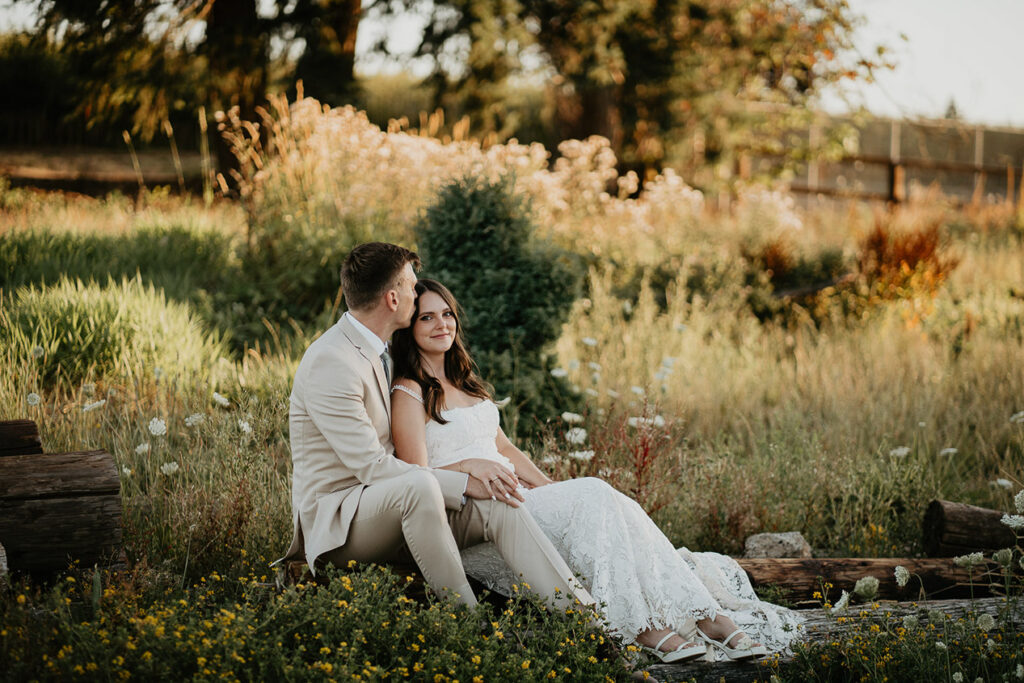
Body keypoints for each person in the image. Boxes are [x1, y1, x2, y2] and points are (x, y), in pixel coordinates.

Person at [390, 279, 803, 663]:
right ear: (409, 327)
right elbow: (416, 473)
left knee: (613, 504)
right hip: (483, 517)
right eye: (426, 317)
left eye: (447, 313)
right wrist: (468, 464)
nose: (441, 323)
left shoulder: (466, 382)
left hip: (522, 499)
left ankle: (705, 615)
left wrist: (552, 489)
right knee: (596, 493)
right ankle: (646, 628)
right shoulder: (409, 391)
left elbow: (504, 448)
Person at [278, 242, 596, 614]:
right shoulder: (332, 361)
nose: (419, 295)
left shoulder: (383, 351)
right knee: (419, 486)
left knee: (501, 507)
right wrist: (465, 473)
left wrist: (483, 482)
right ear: (393, 299)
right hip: (341, 521)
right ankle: (468, 622)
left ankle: (588, 625)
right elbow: (372, 468)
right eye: (413, 288)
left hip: (398, 504)